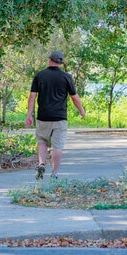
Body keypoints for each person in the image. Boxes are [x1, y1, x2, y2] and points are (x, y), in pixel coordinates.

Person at [25, 50, 86, 180]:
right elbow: (74, 97)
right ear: (61, 62)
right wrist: (81, 110)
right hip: (60, 118)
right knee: (57, 146)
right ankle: (54, 173)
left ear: (49, 60)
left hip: (43, 117)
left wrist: (29, 115)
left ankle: (41, 163)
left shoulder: (39, 76)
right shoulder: (66, 77)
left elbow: (32, 96)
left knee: (42, 142)